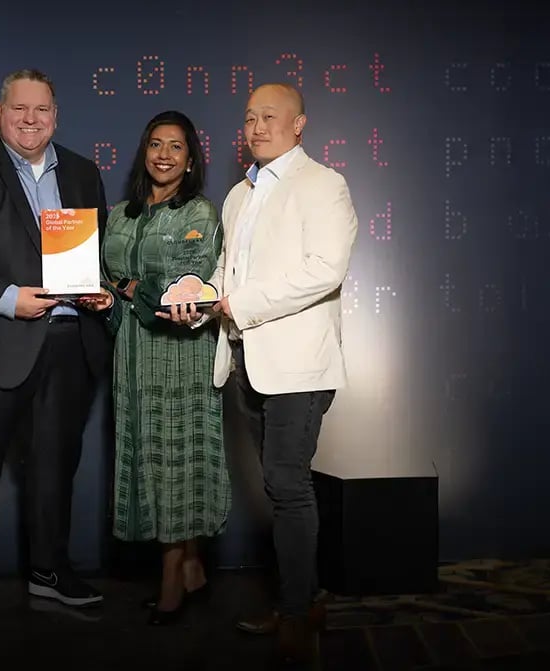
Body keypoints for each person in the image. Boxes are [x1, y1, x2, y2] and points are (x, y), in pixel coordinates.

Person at [0, 69, 113, 628]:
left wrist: (97, 291)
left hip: (67, 341)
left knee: (55, 469)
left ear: (56, 115)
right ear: (0, 112)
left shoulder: (82, 170)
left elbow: (89, 249)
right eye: (20, 109)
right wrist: (7, 298)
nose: (32, 120)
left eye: (43, 110)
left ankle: (49, 572)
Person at [211, 82, 358, 665]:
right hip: (245, 358)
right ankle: (304, 598)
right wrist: (202, 300)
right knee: (278, 488)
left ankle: (299, 612)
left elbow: (326, 270)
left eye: (270, 116)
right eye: (249, 117)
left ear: (300, 125)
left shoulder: (324, 185)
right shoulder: (237, 195)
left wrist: (241, 304)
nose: (256, 126)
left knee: (288, 485)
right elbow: (230, 269)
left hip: (299, 365)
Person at [101, 110, 230, 625]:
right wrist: (106, 298)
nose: (163, 154)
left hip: (181, 353)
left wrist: (132, 289)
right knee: (147, 457)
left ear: (190, 158)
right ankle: (192, 566)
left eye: (175, 147)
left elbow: (188, 288)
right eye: (155, 144)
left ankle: (173, 576)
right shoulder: (119, 215)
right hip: (130, 353)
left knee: (179, 457)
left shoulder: (200, 214)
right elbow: (111, 281)